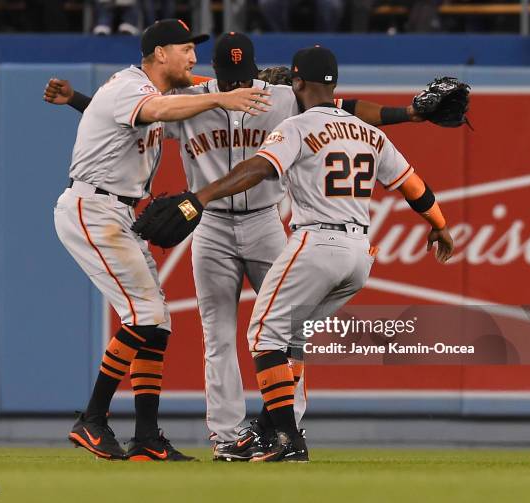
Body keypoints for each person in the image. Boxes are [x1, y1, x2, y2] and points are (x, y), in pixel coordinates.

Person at [44, 32, 432, 461]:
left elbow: (345, 111)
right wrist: (80, 99)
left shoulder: (282, 97)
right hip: (208, 225)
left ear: (254, 70)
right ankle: (227, 438)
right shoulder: (190, 98)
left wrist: (408, 113)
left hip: (267, 222)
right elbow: (131, 116)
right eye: (228, 79)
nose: (235, 87)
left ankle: (284, 427)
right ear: (215, 74)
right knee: (219, 338)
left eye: (241, 77)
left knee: (288, 331)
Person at [187, 45, 454, 461]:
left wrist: (200, 196)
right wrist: (439, 225)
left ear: (296, 83)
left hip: (317, 242)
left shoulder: (296, 125)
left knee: (263, 335)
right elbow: (413, 186)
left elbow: (258, 168)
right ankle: (274, 428)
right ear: (335, 86)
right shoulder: (370, 133)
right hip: (360, 256)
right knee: (291, 338)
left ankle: (287, 439)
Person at [52, 18, 271, 462]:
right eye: (185, 49)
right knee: (145, 315)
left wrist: (257, 82)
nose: (192, 57)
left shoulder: (157, 90)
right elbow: (157, 112)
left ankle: (147, 438)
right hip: (91, 209)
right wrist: (224, 96)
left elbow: (149, 107)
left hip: (117, 209)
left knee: (157, 325)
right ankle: (92, 419)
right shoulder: (131, 88)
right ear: (159, 55)